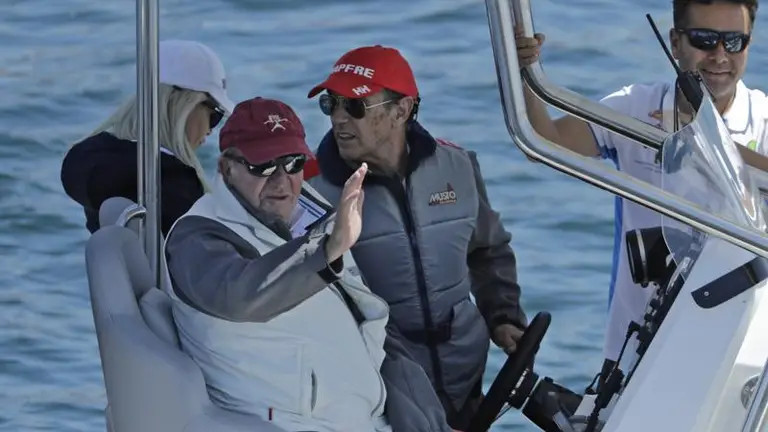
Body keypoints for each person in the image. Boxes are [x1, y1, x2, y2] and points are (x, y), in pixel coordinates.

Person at [163, 96, 460, 432]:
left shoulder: (309, 210)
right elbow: (239, 296)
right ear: (226, 168)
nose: (281, 180)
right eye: (262, 166)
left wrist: (423, 416)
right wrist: (328, 249)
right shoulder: (198, 236)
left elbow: (366, 319)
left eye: (293, 163)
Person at [515, 0, 768, 380]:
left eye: (734, 41)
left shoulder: (762, 119)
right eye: (704, 39)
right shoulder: (636, 108)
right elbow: (544, 144)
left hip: (736, 354)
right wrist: (525, 70)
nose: (719, 56)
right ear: (675, 42)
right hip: (635, 351)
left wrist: (712, 146)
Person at [304, 45, 527, 430]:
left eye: (355, 106)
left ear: (401, 110)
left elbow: (487, 251)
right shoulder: (311, 190)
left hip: (465, 369)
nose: (339, 118)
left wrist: (503, 316)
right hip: (382, 384)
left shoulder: (457, 165)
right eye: (331, 104)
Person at [60, 39, 234, 236]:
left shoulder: (95, 166)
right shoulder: (173, 187)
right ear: (183, 106)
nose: (211, 130)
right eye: (215, 116)